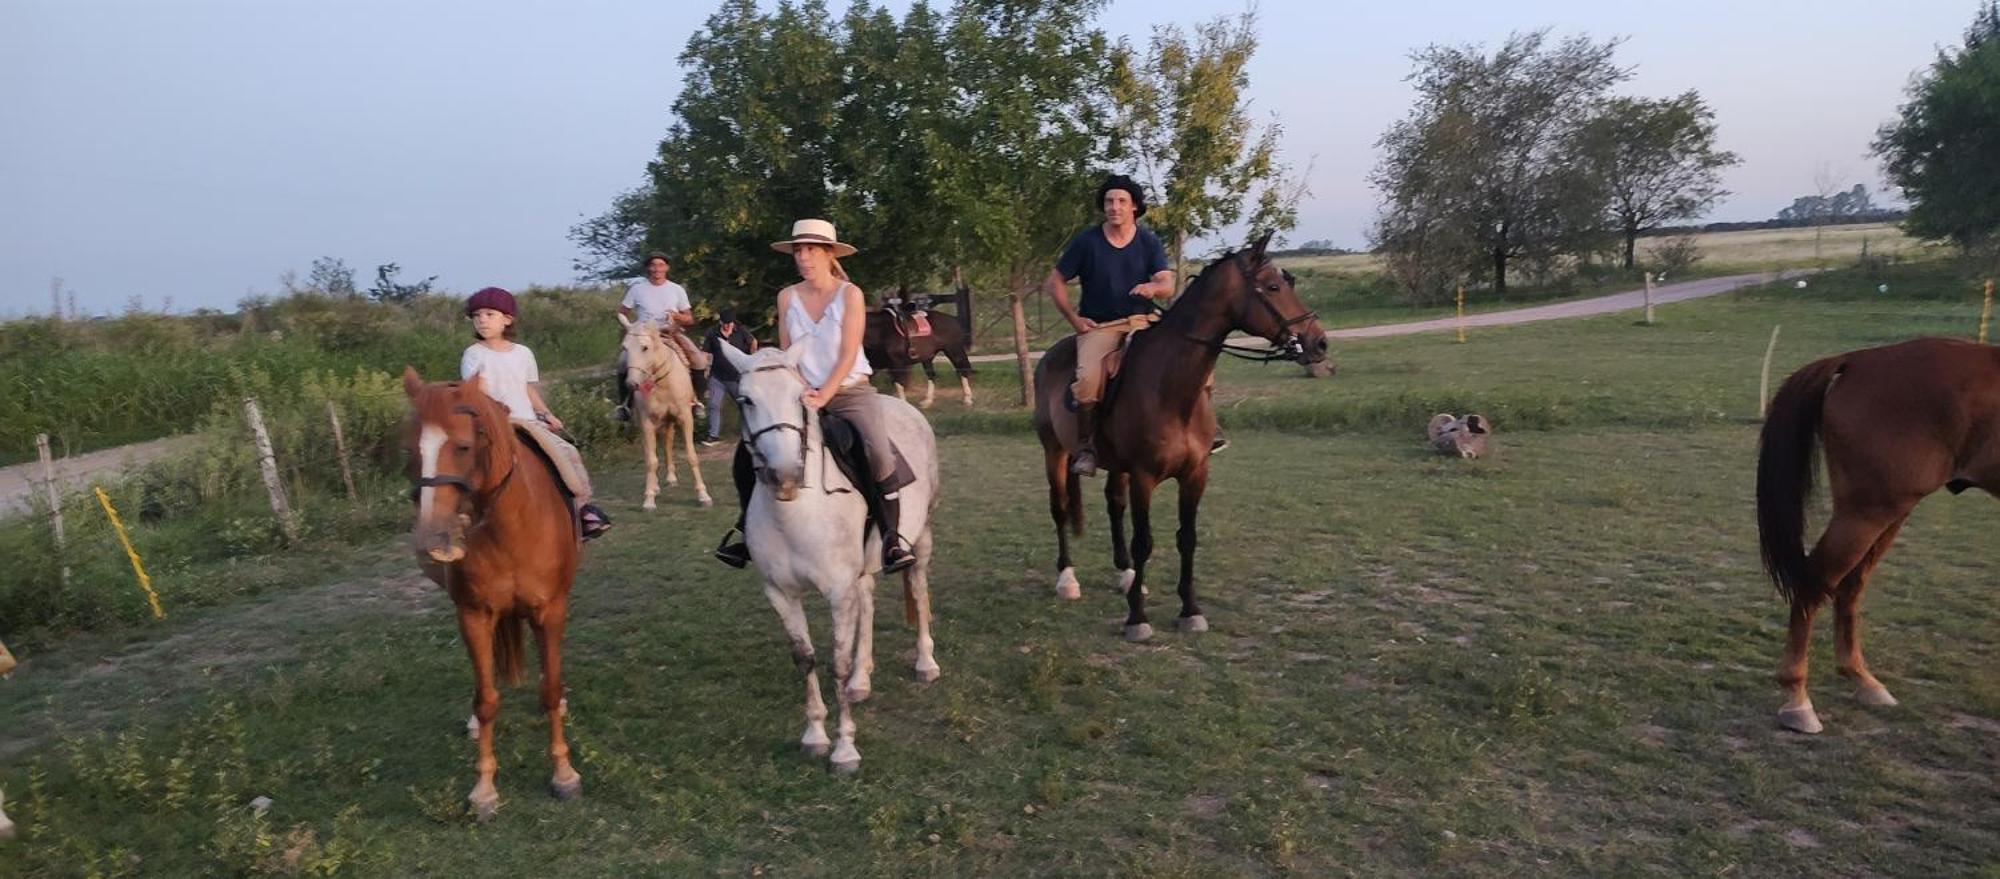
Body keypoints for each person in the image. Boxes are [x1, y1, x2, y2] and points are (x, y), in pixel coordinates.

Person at [714, 219, 917, 574]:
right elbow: (787, 353)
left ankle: (891, 540)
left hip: (850, 390)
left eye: (811, 250)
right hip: (800, 395)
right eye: (798, 250)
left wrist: (825, 393)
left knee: (879, 451)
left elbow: (849, 350)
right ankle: (746, 530)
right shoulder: (787, 297)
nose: (803, 257)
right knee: (748, 453)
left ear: (828, 254)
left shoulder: (849, 294)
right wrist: (793, 391)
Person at [1043, 174, 1227, 476]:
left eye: (1121, 201)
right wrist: (1074, 320)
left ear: (1135, 208)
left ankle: (1208, 428)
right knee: (1088, 380)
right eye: (1109, 201)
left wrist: (1152, 289)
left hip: (1145, 322)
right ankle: (1088, 446)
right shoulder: (1087, 242)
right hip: (1102, 327)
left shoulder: (1148, 240)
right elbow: (1055, 283)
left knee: (1196, 364)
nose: (1114, 207)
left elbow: (1166, 284)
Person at [460, 287, 612, 539]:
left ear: (507, 319)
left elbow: (527, 389)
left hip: (527, 422)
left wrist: (546, 413)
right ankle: (457, 519)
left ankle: (581, 511)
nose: (482, 320)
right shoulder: (474, 354)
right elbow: (480, 393)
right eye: (477, 316)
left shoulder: (523, 353)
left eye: (489, 314)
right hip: (493, 425)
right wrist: (501, 418)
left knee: (567, 454)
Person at [615, 252, 710, 421]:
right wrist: (631, 327)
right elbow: (622, 312)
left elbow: (689, 318)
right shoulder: (637, 289)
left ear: (667, 268)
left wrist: (677, 316)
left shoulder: (676, 289)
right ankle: (625, 405)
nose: (657, 269)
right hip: (644, 336)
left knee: (698, 359)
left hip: (670, 333)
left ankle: (697, 402)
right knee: (623, 362)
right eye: (653, 265)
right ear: (648, 268)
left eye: (660, 265)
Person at [700, 307, 758, 445]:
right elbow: (706, 353)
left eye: (729, 323)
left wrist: (751, 359)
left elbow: (753, 342)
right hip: (717, 376)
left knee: (744, 404)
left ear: (733, 323)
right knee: (713, 404)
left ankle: (750, 431)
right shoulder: (712, 333)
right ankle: (713, 435)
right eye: (724, 323)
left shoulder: (741, 331)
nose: (727, 326)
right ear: (720, 322)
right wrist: (705, 370)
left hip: (736, 376)